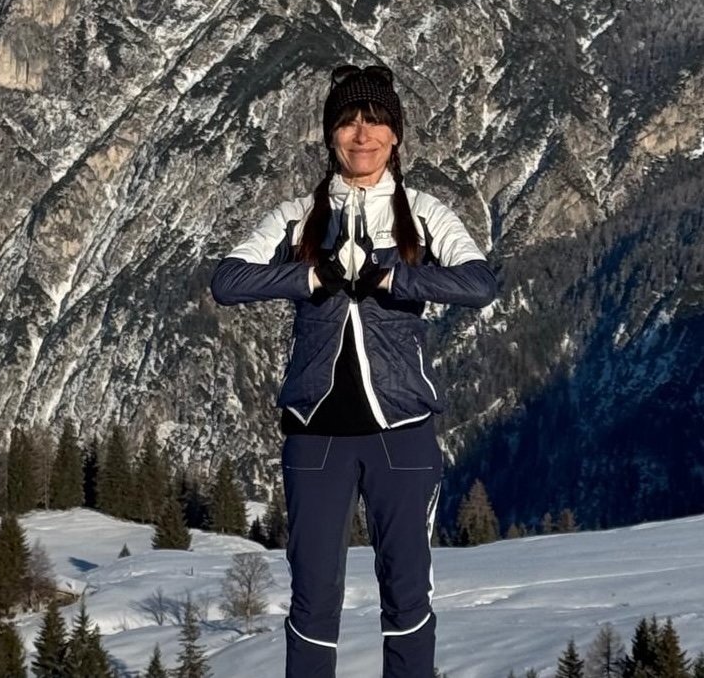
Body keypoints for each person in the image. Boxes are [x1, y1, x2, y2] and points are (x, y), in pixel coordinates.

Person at [211, 63, 497, 678]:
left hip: (403, 431)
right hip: (315, 434)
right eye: (347, 122)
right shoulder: (296, 215)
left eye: (375, 121)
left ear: (396, 135)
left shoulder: (424, 213)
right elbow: (228, 281)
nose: (362, 134)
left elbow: (479, 284)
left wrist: (396, 278)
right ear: (329, 135)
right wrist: (310, 276)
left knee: (408, 596)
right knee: (313, 601)